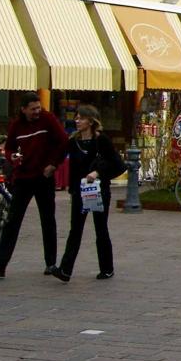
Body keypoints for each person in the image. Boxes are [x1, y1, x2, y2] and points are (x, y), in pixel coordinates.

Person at [0, 93, 69, 278]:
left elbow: (64, 141)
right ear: (23, 110)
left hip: (44, 176)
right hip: (23, 177)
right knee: (12, 220)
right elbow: (10, 147)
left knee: (48, 220)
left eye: (38, 107)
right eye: (33, 109)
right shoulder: (16, 125)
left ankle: (51, 263)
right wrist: (12, 156)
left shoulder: (48, 119)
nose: (37, 111)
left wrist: (54, 164)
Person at [48, 105, 123, 282]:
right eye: (76, 117)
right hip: (79, 191)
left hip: (98, 190)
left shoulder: (101, 140)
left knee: (100, 228)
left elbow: (117, 164)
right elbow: (59, 156)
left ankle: (107, 268)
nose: (77, 121)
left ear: (90, 121)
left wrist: (98, 172)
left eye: (81, 118)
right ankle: (65, 270)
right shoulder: (73, 141)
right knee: (75, 230)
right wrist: (51, 167)